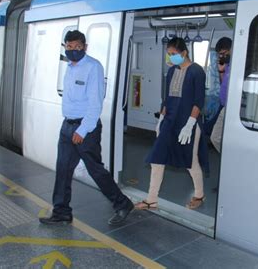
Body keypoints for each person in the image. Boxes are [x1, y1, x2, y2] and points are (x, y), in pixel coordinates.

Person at [39, 30, 134, 225]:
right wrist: (69, 126)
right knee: (63, 169)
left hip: (85, 128)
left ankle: (123, 203)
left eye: (78, 47)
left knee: (95, 170)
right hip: (67, 125)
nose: (73, 51)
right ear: (65, 47)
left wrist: (82, 130)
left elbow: (95, 104)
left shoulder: (93, 67)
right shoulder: (69, 67)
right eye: (69, 47)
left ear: (85, 47)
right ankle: (61, 212)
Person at [135, 37, 209, 211]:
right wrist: (161, 120)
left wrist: (190, 124)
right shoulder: (171, 72)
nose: (170, 58)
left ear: (184, 53)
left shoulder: (196, 71)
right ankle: (151, 199)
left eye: (173, 54)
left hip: (187, 123)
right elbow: (167, 99)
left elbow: (198, 101)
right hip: (170, 121)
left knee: (191, 162)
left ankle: (199, 195)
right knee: (157, 159)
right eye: (168, 54)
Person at [210, 37, 232, 153]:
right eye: (220, 54)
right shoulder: (226, 66)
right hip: (224, 106)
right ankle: (228, 159)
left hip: (233, 109)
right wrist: (221, 71)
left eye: (224, 53)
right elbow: (223, 84)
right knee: (215, 137)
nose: (222, 56)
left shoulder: (238, 66)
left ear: (231, 50)